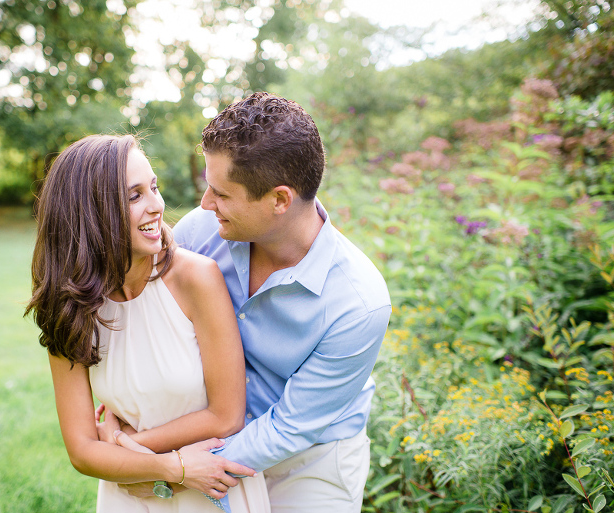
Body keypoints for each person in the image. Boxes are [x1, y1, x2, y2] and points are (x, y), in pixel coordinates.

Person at [25, 134, 270, 512]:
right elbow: (81, 450)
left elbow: (225, 415)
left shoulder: (195, 279)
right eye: (134, 195)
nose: (157, 206)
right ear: (90, 212)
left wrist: (124, 449)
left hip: (211, 487)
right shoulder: (69, 306)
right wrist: (170, 467)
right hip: (131, 495)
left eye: (153, 188)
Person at [171, 92, 392, 512]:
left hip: (312, 458)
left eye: (221, 193)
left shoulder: (359, 302)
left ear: (279, 200)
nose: (204, 204)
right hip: (207, 430)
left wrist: (172, 471)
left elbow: (291, 427)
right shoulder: (199, 233)